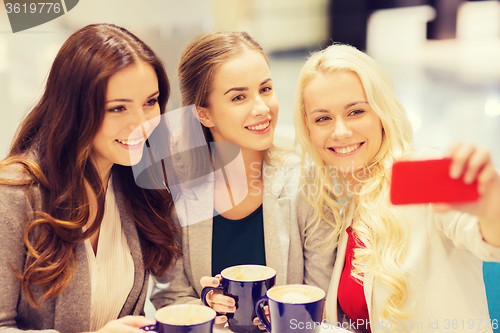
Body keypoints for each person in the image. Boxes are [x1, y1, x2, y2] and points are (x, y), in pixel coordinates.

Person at [293, 44, 500, 333]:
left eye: (355, 112)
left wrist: (492, 211)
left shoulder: (420, 174)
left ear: (382, 114)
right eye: (323, 118)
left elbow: (487, 239)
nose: (340, 131)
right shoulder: (342, 201)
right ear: (309, 129)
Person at [0, 23, 181, 333]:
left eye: (150, 102)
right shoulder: (15, 194)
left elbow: (170, 288)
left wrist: (206, 296)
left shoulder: (140, 182)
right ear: (75, 111)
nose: (141, 124)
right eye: (118, 108)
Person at [150, 31, 333, 324]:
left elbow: (321, 295)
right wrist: (205, 303)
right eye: (238, 97)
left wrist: (284, 318)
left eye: (266, 89)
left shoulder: (307, 185)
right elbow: (169, 296)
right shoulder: (176, 193)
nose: (262, 108)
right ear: (204, 114)